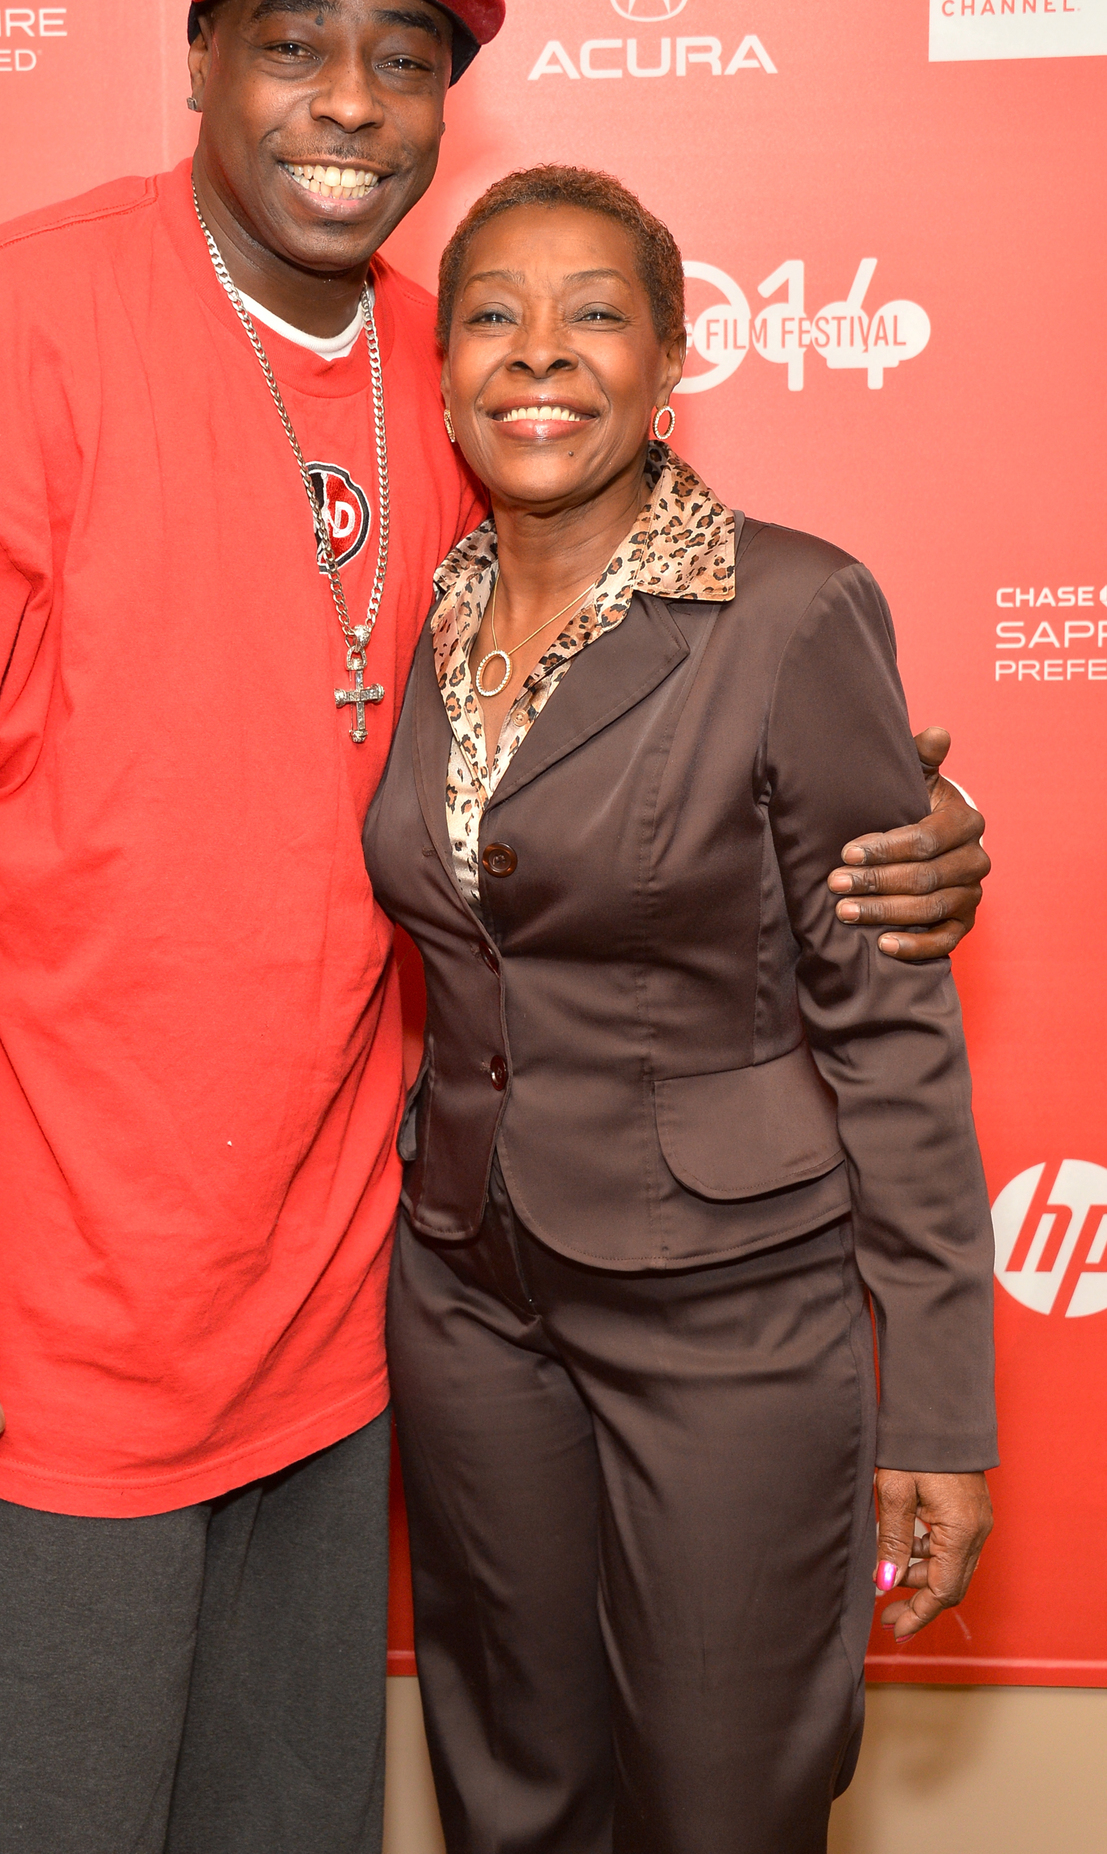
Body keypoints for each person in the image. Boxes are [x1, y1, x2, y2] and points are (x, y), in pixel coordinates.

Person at [0, 0, 988, 1854]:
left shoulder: (459, 373)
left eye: (401, 61)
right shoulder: (8, 325)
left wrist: (921, 824)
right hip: (38, 1336)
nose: (346, 102)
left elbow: (702, 652)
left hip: (339, 1333)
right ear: (198, 63)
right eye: (290, 45)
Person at [364, 165, 997, 1854]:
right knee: (514, 1791)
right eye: (490, 315)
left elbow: (889, 1022)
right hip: (469, 1295)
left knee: (730, 1802)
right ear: (440, 377)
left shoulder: (789, 609)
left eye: (594, 317)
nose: (538, 357)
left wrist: (936, 1401)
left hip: (730, 1311)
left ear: (671, 360)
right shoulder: (409, 618)